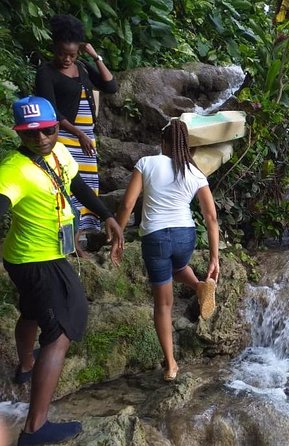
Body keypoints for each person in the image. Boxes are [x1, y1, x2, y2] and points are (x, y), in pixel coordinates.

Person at [0, 96, 123, 445]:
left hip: (37, 256)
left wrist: (108, 216)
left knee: (32, 310)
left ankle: (26, 367)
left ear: (57, 127)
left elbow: (77, 186)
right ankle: (35, 429)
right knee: (60, 331)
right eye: (31, 133)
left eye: (48, 130)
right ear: (18, 133)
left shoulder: (60, 153)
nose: (41, 139)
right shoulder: (12, 170)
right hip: (38, 262)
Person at [112, 118, 220, 382]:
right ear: (187, 145)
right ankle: (199, 287)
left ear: (163, 143)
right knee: (179, 266)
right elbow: (210, 216)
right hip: (185, 236)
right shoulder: (195, 173)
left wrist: (117, 236)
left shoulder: (147, 163)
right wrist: (214, 256)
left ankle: (171, 364)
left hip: (156, 237)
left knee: (163, 305)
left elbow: (127, 204)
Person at [35, 14, 118, 256]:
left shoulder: (81, 67)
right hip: (62, 139)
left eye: (72, 54)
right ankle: (67, 241)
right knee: (66, 187)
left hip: (85, 138)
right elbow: (51, 111)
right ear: (54, 48)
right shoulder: (46, 73)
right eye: (62, 53)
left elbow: (110, 86)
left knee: (86, 188)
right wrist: (77, 134)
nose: (67, 59)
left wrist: (95, 56)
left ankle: (78, 240)